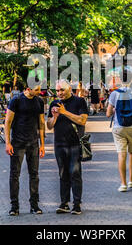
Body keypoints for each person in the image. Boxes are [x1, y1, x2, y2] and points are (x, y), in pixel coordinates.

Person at [47, 79, 88, 215]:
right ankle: (64, 203)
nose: (59, 93)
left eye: (62, 90)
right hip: (59, 144)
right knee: (63, 174)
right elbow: (49, 125)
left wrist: (64, 112)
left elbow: (82, 120)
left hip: (75, 144)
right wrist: (54, 117)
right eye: (57, 90)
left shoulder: (79, 102)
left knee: (75, 173)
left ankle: (77, 204)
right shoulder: (53, 103)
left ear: (69, 89)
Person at [4, 85, 45, 216]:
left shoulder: (39, 101)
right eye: (37, 89)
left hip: (33, 143)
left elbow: (41, 123)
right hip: (18, 143)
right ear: (28, 88)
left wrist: (42, 144)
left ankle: (34, 205)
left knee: (34, 175)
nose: (40, 92)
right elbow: (8, 122)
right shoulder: (16, 100)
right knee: (15, 175)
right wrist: (8, 143)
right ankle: (14, 206)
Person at [106, 79, 132, 192]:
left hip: (119, 128)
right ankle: (131, 181)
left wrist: (115, 110)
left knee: (121, 154)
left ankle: (123, 184)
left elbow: (108, 114)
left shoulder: (114, 94)